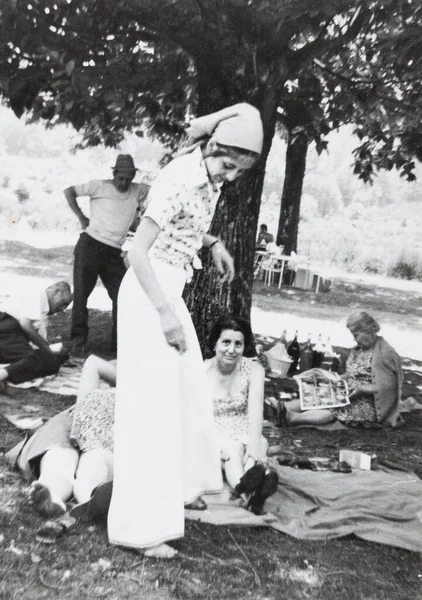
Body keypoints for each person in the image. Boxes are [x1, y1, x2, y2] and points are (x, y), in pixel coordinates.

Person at [108, 102, 264, 559]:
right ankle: (141, 528)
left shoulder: (209, 176)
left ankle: (178, 490)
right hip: (147, 292)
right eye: (228, 165)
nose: (231, 176)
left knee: (188, 391)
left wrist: (212, 242)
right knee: (150, 409)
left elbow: (186, 222)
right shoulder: (180, 177)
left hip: (168, 287)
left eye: (239, 171)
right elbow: (137, 252)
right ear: (213, 148)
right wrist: (165, 314)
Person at [5, 355, 116, 523]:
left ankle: (89, 499)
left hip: (111, 439)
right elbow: (93, 363)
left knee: (96, 462)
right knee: (58, 454)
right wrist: (83, 425)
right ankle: (52, 497)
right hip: (81, 418)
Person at [64, 154, 150, 354]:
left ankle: (119, 344)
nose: (124, 183)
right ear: (114, 173)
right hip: (90, 245)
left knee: (122, 295)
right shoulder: (99, 186)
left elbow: (162, 193)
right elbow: (69, 191)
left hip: (114, 252)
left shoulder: (139, 190)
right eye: (121, 178)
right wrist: (81, 217)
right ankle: (78, 341)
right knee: (81, 294)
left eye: (128, 179)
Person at [204, 316, 278, 515]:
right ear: (214, 344)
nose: (231, 350)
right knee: (233, 452)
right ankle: (249, 493)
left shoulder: (254, 370)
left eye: (238, 344)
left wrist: (254, 443)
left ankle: (255, 488)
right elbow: (194, 416)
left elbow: (255, 411)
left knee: (257, 451)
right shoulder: (201, 371)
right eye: (226, 342)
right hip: (217, 431)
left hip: (245, 427)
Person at [282, 311, 403, 428]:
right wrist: (331, 379)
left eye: (356, 335)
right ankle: (281, 408)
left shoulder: (385, 353)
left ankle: (293, 418)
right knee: (317, 397)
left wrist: (362, 389)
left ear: (368, 331)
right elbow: (350, 374)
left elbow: (390, 386)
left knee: (337, 409)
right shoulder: (359, 349)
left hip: (370, 403)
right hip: (349, 392)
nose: (355, 339)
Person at [0, 281, 72, 386]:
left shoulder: (43, 314)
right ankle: (3, 374)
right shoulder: (38, 295)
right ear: (56, 292)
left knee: (50, 362)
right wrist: (48, 348)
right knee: (37, 359)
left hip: (11, 336)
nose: (62, 309)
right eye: (63, 303)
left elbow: (39, 346)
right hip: (5, 327)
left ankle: (6, 372)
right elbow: (25, 324)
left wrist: (54, 353)